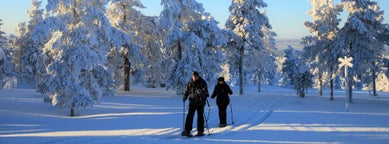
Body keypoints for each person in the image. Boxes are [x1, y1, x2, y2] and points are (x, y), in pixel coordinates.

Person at [181, 71, 209, 137]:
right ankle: (187, 130)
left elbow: (206, 93)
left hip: (200, 102)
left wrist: (201, 92)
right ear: (192, 76)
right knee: (190, 115)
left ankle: (200, 131)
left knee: (200, 116)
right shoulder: (190, 83)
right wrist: (185, 96)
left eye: (196, 76)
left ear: (198, 76)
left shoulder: (202, 82)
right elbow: (187, 90)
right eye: (193, 76)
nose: (194, 78)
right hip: (192, 101)